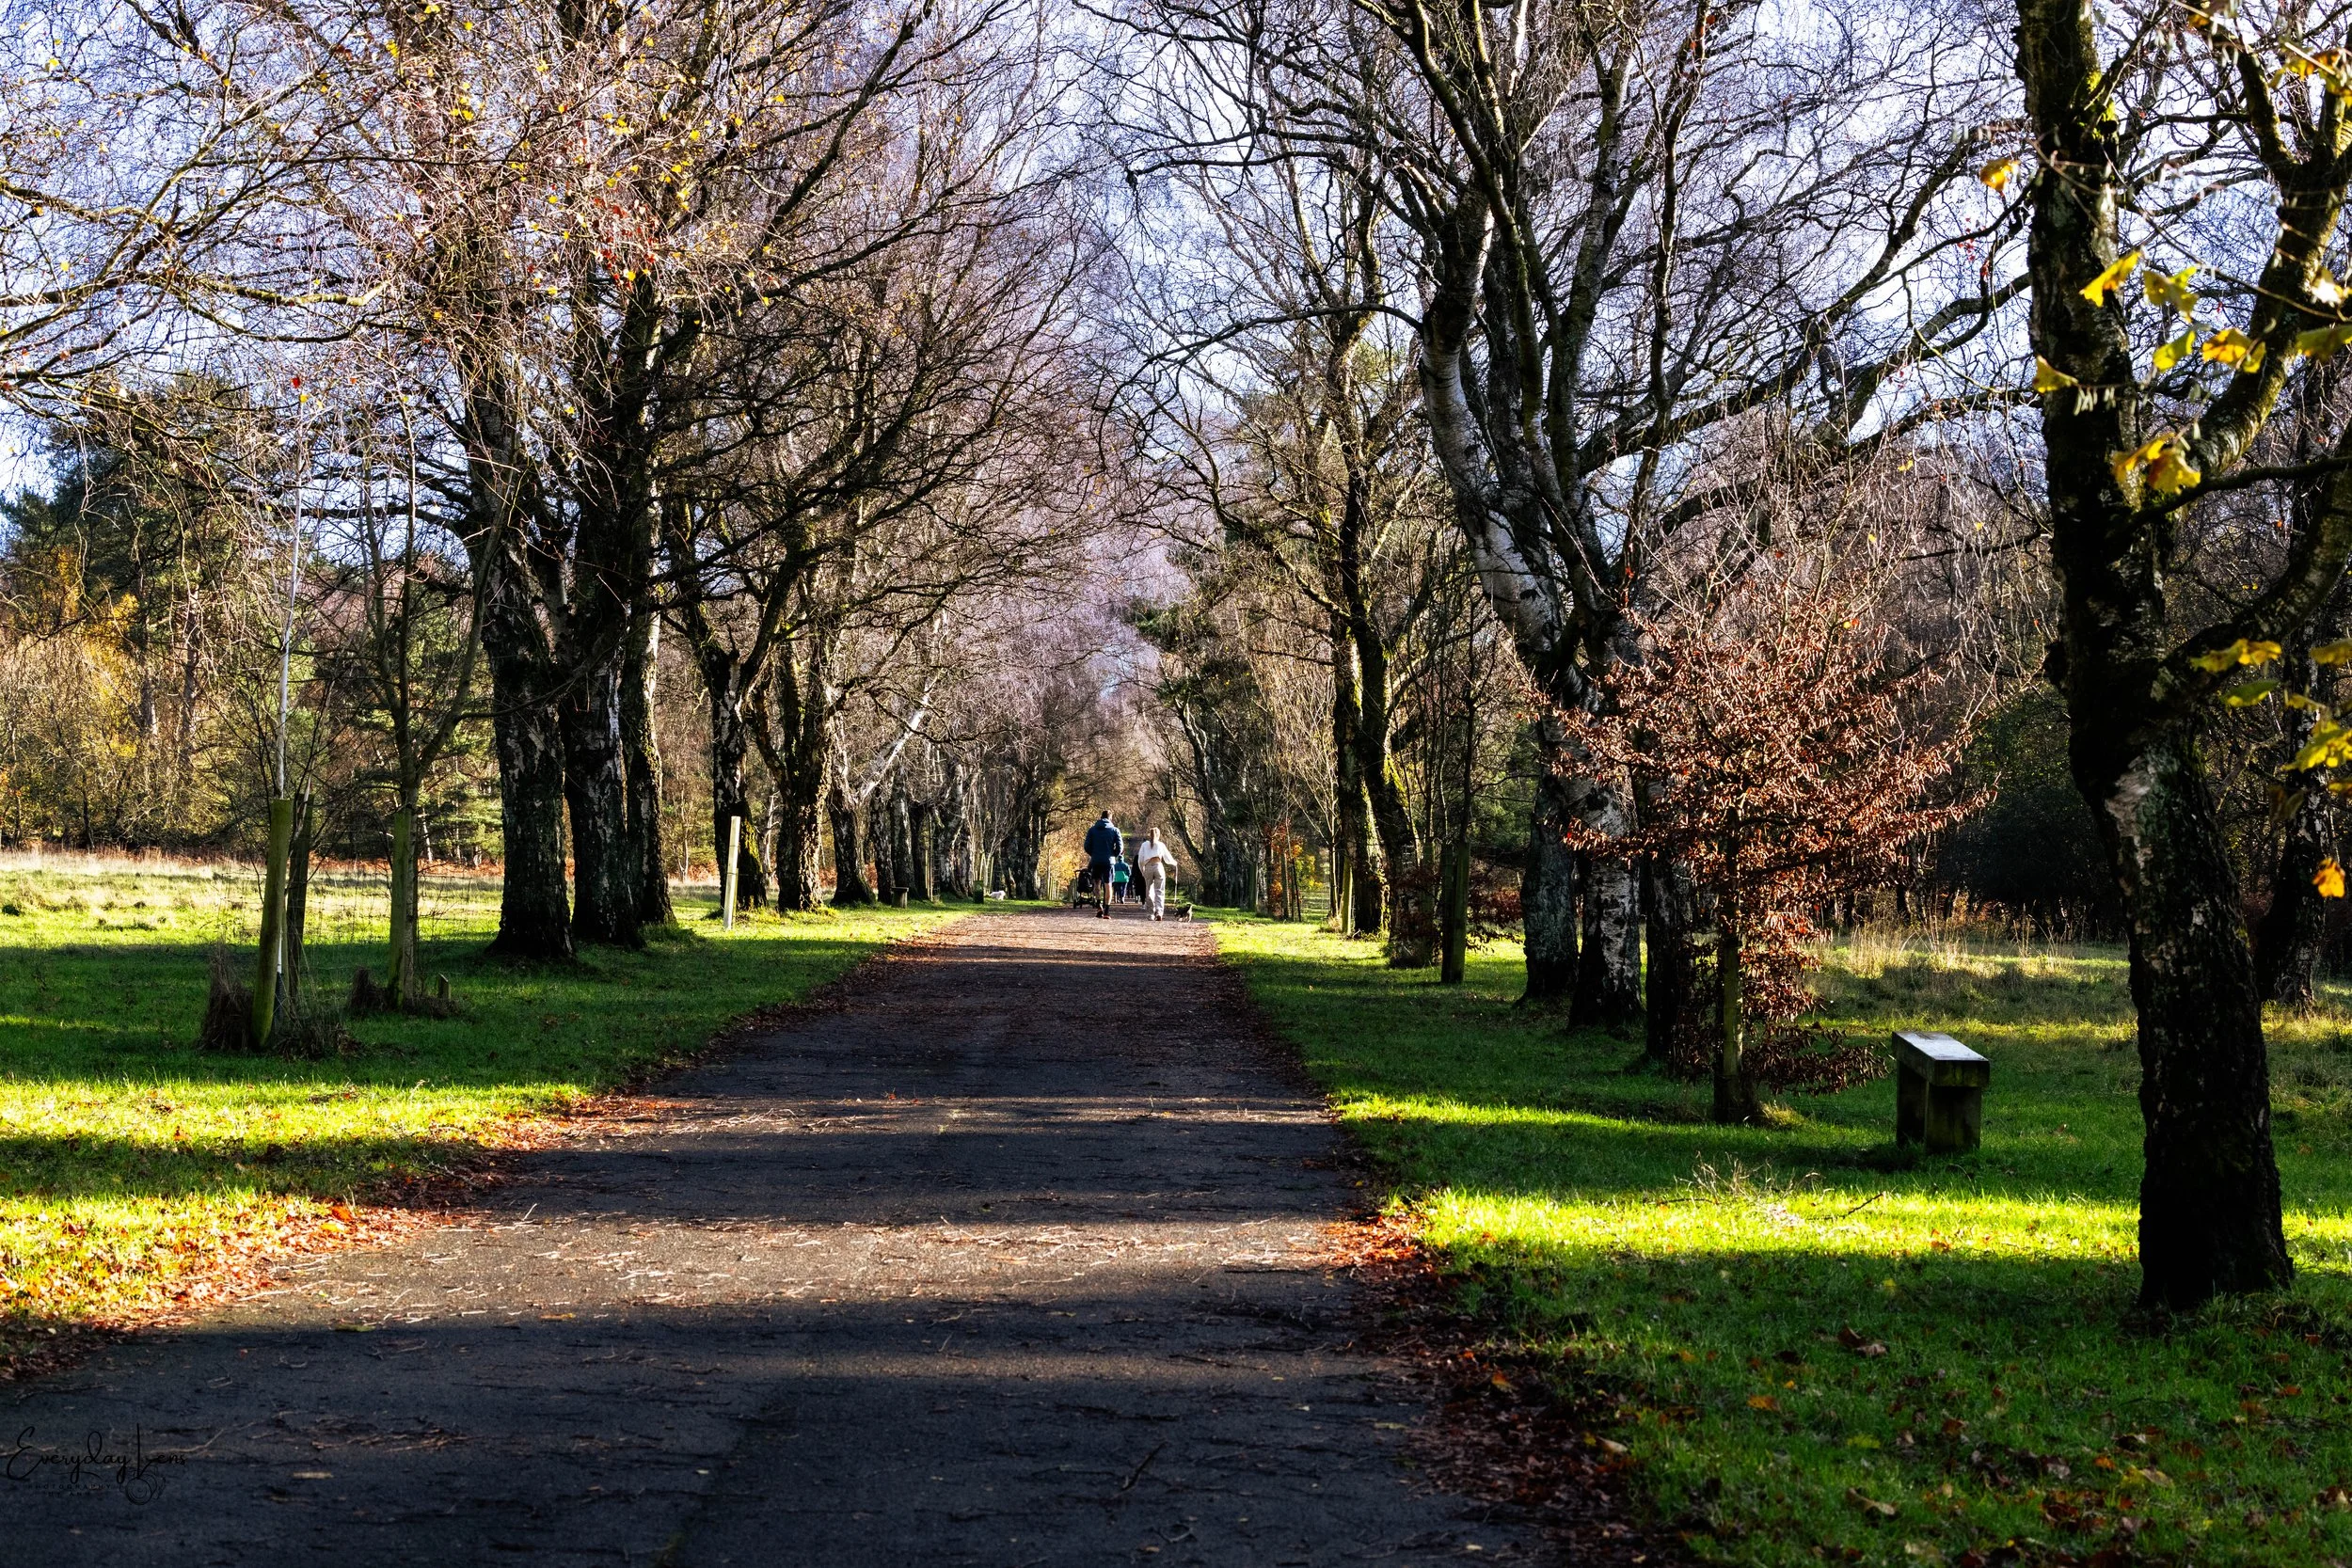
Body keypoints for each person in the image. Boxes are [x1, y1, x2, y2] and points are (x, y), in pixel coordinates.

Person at [1081, 812, 1122, 920]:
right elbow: (1120, 847)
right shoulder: (1115, 830)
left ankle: (1098, 904)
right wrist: (1113, 854)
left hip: (1096, 860)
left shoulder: (1092, 830)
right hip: (1109, 862)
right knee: (1108, 885)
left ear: (1101, 817)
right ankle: (1107, 911)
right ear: (1110, 818)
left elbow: (1086, 846)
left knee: (1096, 883)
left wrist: (1094, 854)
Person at [1136, 830, 1176, 920]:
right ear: (1159, 835)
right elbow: (1167, 858)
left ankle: (1150, 913)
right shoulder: (1161, 845)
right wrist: (1174, 863)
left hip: (1148, 867)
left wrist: (1143, 870)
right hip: (1158, 866)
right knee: (1160, 890)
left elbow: (1140, 860)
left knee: (1149, 891)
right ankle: (1159, 912)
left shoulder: (1144, 845)